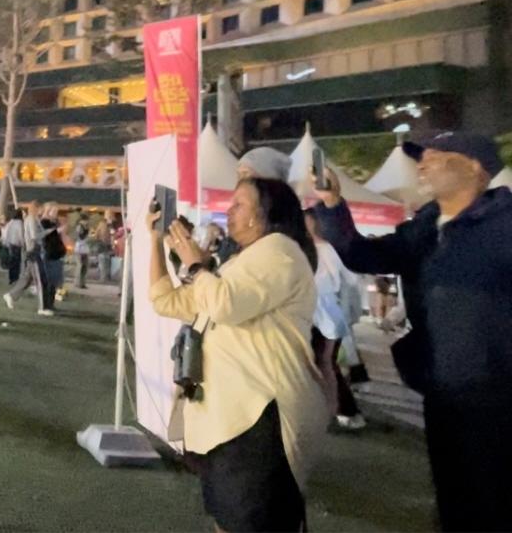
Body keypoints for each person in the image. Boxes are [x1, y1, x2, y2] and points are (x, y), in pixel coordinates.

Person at [311, 132, 512, 531]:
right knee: (453, 496)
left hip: (496, 397)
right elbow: (363, 255)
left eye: (436, 155)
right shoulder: (424, 227)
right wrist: (333, 205)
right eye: (422, 156)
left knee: (494, 501)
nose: (423, 163)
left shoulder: (503, 227)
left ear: (475, 166)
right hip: (441, 392)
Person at [152, 177, 327, 532]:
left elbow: (225, 304)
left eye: (238, 205)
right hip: (233, 420)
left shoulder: (280, 250)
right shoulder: (242, 262)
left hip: (260, 418)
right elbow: (167, 301)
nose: (228, 212)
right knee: (229, 518)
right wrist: (156, 242)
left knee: (251, 521)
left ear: (262, 214)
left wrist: (196, 265)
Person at [302, 209, 365, 431]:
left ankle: (343, 410)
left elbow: (351, 279)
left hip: (324, 314)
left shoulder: (326, 249)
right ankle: (335, 410)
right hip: (316, 314)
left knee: (325, 364)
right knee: (319, 364)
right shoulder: (307, 249)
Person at [4, 201, 44, 310]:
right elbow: (33, 236)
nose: (42, 211)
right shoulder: (31, 220)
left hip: (28, 249)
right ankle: (43, 306)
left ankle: (11, 295)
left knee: (28, 277)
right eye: (41, 209)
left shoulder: (29, 220)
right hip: (33, 250)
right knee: (39, 279)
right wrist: (45, 234)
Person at [1, 209, 25, 285]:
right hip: (17, 245)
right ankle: (15, 278)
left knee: (12, 262)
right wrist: (23, 243)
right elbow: (20, 234)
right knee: (16, 263)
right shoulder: (19, 223)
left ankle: (11, 278)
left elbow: (6, 233)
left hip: (10, 244)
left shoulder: (10, 223)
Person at [72, 212, 91, 290]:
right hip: (79, 248)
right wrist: (88, 236)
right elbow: (79, 237)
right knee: (80, 266)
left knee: (85, 266)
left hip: (85, 249)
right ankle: (77, 282)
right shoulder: (79, 227)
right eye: (87, 220)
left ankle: (82, 282)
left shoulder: (86, 227)